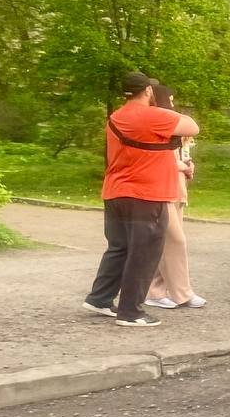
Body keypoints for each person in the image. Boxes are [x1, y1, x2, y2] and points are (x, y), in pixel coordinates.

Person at [82, 71, 199, 327]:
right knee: (143, 252)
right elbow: (192, 127)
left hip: (115, 191)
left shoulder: (116, 116)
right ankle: (131, 312)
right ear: (147, 91)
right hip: (146, 195)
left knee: (119, 248)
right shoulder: (154, 116)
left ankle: (100, 298)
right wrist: (164, 106)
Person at [144, 84, 205, 310]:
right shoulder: (154, 123)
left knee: (164, 243)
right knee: (176, 241)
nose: (172, 103)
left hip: (177, 188)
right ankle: (183, 294)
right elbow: (154, 159)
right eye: (169, 99)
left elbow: (179, 155)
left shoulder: (172, 126)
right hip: (162, 189)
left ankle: (154, 291)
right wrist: (180, 165)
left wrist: (187, 164)